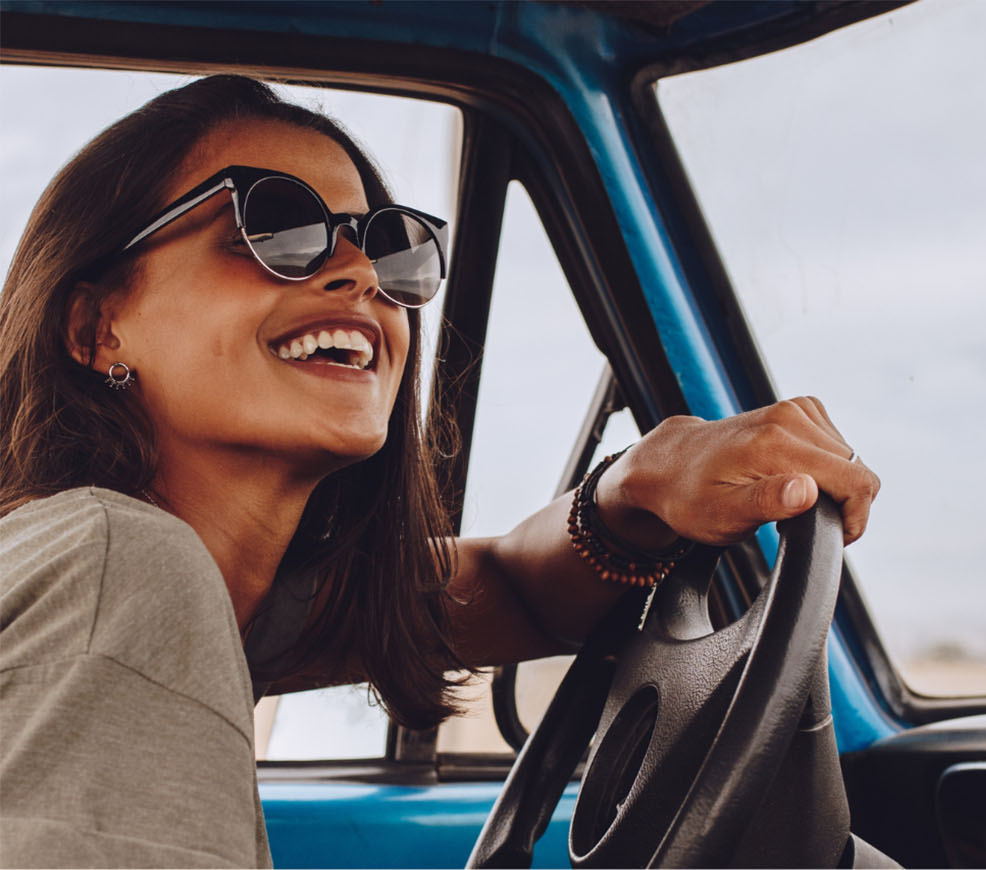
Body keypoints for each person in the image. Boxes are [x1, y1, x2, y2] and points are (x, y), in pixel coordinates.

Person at [0, 75, 880, 867]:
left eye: (389, 247)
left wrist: (637, 487)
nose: (360, 275)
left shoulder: (217, 595)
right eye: (274, 225)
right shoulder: (121, 565)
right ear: (95, 329)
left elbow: (506, 584)